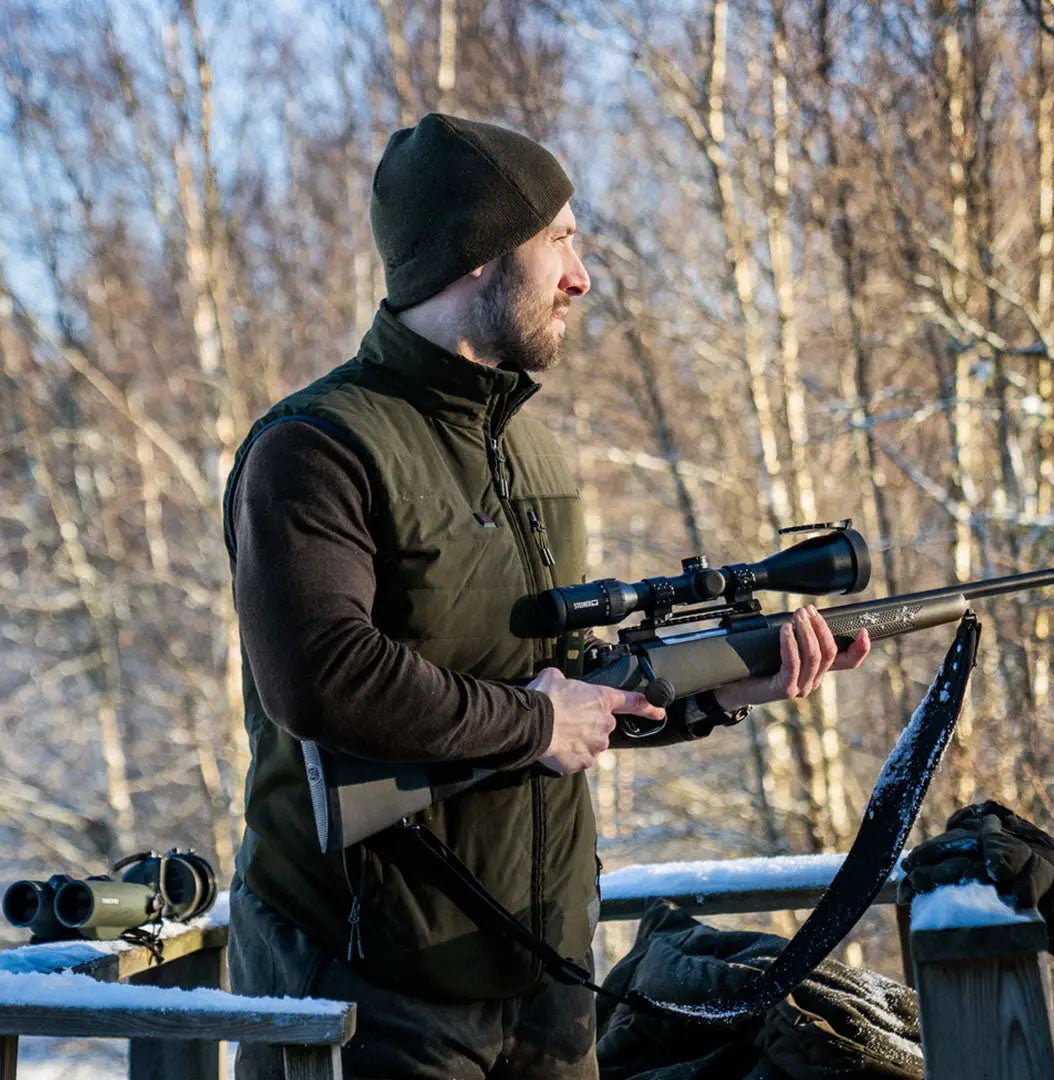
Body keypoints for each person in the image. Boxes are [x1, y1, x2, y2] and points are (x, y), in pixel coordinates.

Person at [222, 113, 871, 1080]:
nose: (582, 276)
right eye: (560, 240)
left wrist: (718, 691)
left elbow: (568, 699)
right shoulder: (316, 448)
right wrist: (536, 723)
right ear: (480, 255)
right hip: (368, 981)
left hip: (547, 972)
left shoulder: (532, 449)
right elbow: (322, 679)